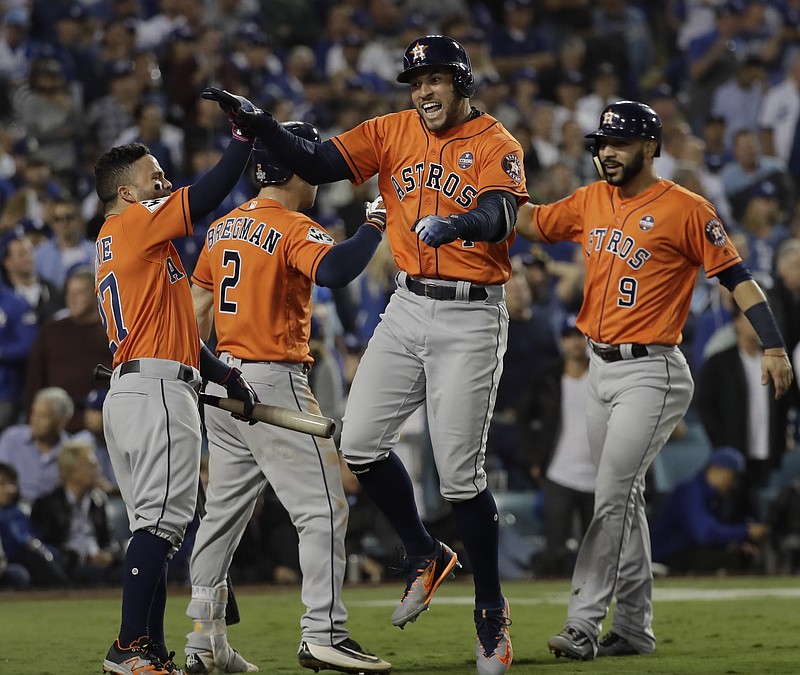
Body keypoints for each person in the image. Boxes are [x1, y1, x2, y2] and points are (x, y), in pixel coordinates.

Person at [251, 34, 526, 674]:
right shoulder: (391, 129)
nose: (423, 90)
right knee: (360, 444)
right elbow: (317, 163)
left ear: (460, 82)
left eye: (433, 79)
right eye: (414, 81)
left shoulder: (496, 142)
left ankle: (491, 610)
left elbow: (500, 213)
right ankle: (425, 553)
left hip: (470, 311)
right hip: (407, 304)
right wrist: (260, 124)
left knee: (459, 475)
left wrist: (458, 225)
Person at [515, 99, 793, 660]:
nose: (608, 153)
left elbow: (738, 277)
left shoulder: (686, 208)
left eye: (619, 143)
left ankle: (583, 622)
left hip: (653, 371)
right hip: (598, 366)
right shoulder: (591, 198)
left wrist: (773, 343)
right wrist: (494, 183)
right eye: (602, 144)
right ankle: (636, 627)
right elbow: (532, 222)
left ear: (650, 147)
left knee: (611, 495)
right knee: (626, 499)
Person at [184, 121, 391, 675]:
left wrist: (194, 375)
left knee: (221, 519)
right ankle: (324, 633)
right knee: (323, 508)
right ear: (296, 170)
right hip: (272, 382)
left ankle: (203, 643)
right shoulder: (293, 225)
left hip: (221, 381)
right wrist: (374, 223)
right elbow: (339, 271)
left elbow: (195, 315)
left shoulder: (223, 226)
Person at [93, 86, 267, 675]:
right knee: (164, 524)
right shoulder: (137, 224)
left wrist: (222, 375)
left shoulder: (122, 242)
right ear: (126, 193)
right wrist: (244, 137)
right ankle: (129, 647)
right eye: (154, 176)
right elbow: (211, 193)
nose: (163, 184)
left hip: (137, 387)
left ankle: (151, 650)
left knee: (155, 526)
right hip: (157, 392)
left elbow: (176, 335)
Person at [523, 314, 594, 578]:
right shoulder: (548, 377)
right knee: (555, 550)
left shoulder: (603, 375)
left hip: (598, 474)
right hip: (559, 472)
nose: (576, 343)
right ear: (562, 341)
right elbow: (524, 417)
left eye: (580, 336)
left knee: (597, 552)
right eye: (570, 337)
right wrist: (534, 458)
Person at [650, 447, 770, 574]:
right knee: (728, 559)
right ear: (716, 470)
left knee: (741, 556)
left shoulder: (716, 496)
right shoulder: (690, 491)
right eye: (731, 476)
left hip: (691, 551)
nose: (733, 483)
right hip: (667, 555)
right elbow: (704, 534)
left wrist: (735, 544)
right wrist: (746, 532)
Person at [30, 439, 122, 585]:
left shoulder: (97, 501)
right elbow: (47, 547)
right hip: (68, 567)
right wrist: (85, 558)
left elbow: (107, 539)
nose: (98, 470)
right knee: (95, 574)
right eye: (91, 466)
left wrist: (110, 555)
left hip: (100, 563)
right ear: (71, 471)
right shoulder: (47, 504)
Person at [0, 386, 73, 504]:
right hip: (13, 509)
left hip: (53, 514)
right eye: (34, 413)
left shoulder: (71, 451)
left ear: (61, 422)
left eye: (42, 416)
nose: (34, 420)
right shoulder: (11, 439)